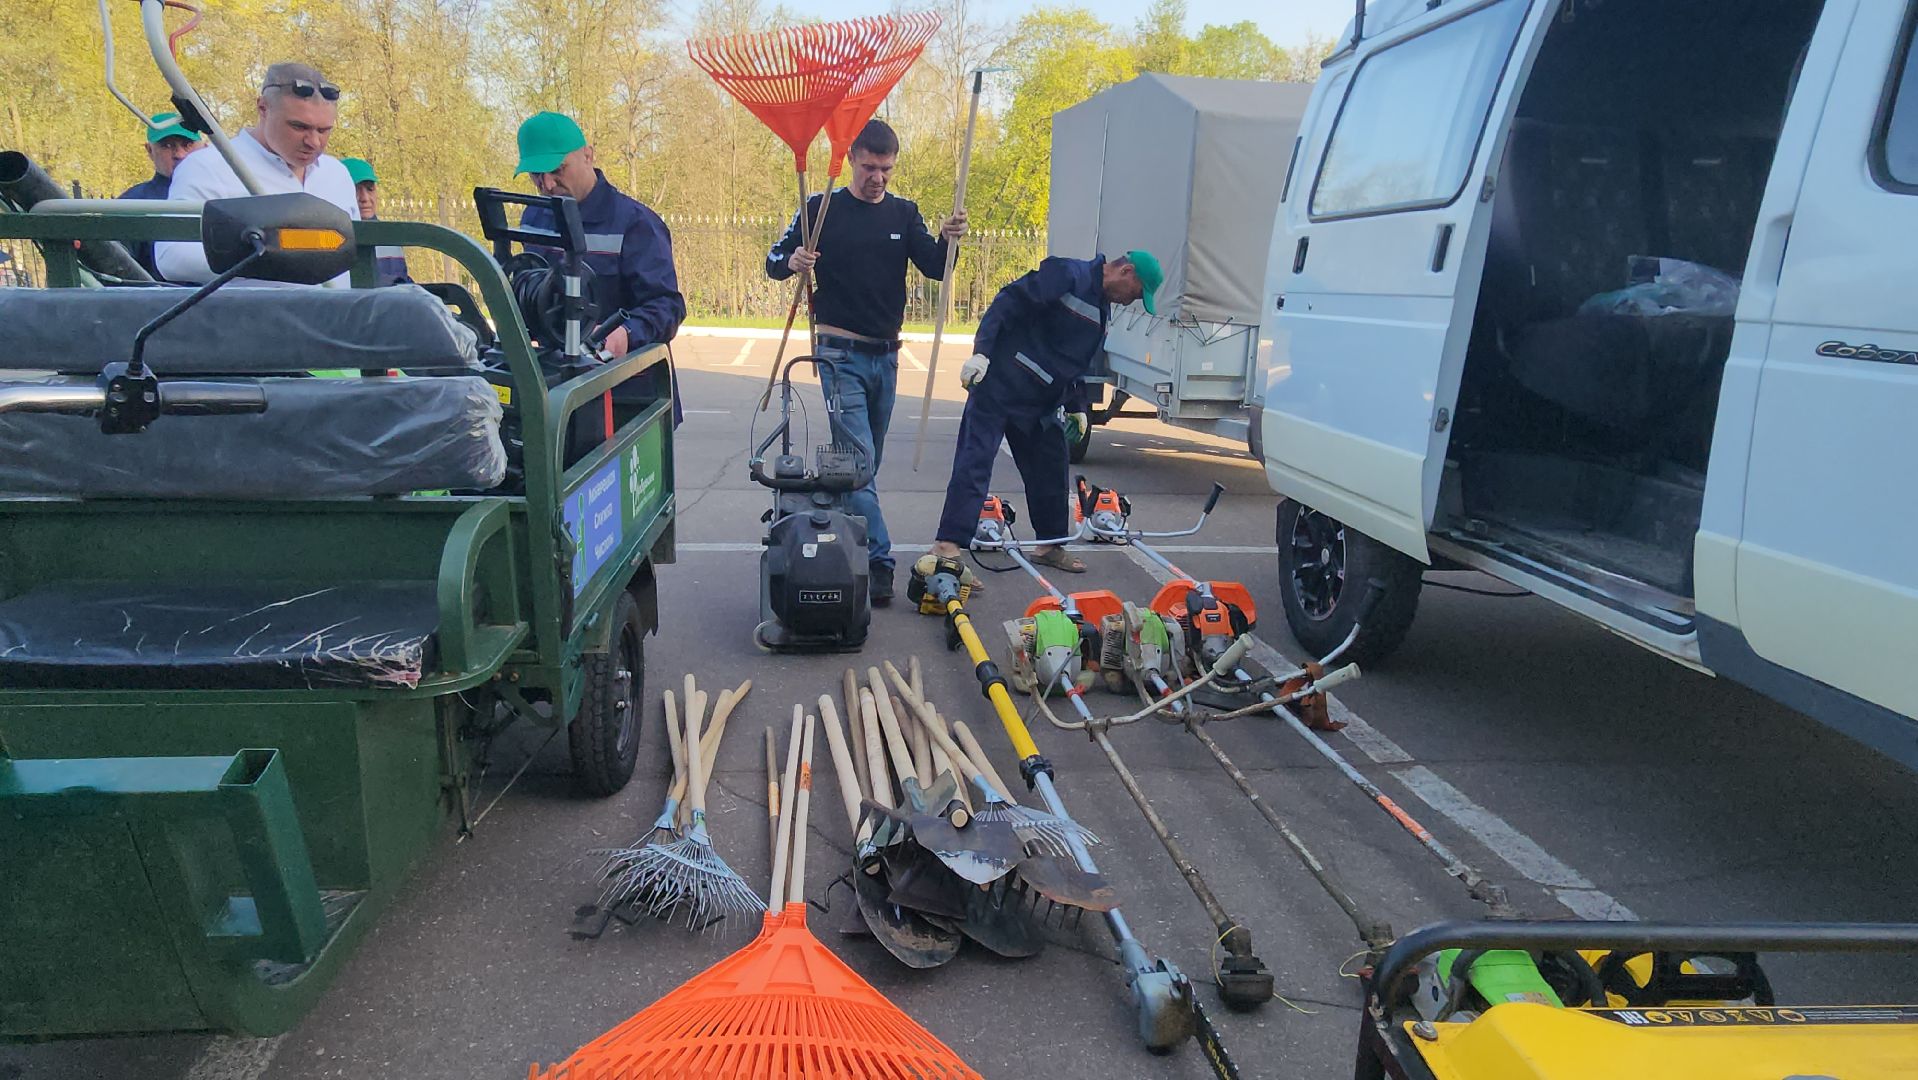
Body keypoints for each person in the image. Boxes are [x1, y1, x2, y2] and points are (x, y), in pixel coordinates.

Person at [765, 119, 966, 606]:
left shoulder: (903, 213)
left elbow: (937, 267)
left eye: (887, 169)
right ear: (853, 158)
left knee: (863, 466)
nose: (879, 177)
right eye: (871, 167)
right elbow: (773, 260)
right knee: (859, 463)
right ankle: (878, 562)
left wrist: (951, 239)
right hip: (839, 356)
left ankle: (842, 532)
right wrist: (794, 261)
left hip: (886, 356)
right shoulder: (820, 208)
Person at [928, 251, 1162, 571]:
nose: (1131, 302)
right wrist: (981, 353)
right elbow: (1007, 302)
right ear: (1126, 271)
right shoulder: (1067, 275)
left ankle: (1050, 546)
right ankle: (947, 546)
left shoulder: (1102, 307)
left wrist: (1078, 407)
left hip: (1039, 400)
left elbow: (1073, 363)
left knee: (1051, 465)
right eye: (1136, 293)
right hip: (1000, 384)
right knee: (975, 462)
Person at [514, 111, 685, 426]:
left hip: (629, 399)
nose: (548, 184)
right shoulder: (534, 219)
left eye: (557, 170)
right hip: (559, 393)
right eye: (536, 175)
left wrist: (625, 334)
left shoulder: (635, 223)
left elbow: (668, 306)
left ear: (588, 155)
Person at [156, 62, 357, 286]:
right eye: (299, 127)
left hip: (338, 317)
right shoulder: (208, 167)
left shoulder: (337, 174)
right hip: (253, 318)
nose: (313, 142)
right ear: (263, 108)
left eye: (324, 130)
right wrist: (273, 256)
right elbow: (171, 257)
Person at [117, 111, 204, 279]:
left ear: (204, 147)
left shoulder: (222, 194)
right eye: (167, 145)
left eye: (187, 144)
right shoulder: (131, 204)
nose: (179, 154)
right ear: (149, 150)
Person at [342, 157, 410, 286]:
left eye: (370, 189)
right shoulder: (329, 238)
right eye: (355, 190)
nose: (365, 198)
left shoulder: (390, 238)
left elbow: (402, 279)